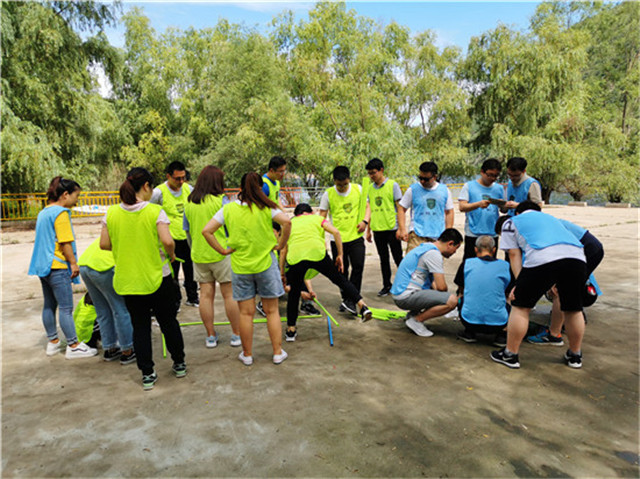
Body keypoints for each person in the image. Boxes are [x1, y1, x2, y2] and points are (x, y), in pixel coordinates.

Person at [101, 167, 186, 390]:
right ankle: (179, 363)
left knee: (140, 327)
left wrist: (126, 243)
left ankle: (147, 373)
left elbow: (104, 244)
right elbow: (168, 241)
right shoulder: (154, 211)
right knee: (168, 322)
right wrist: (172, 254)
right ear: (146, 186)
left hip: (129, 280)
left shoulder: (111, 213)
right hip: (158, 277)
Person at [202, 172, 291, 366]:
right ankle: (277, 352)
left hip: (241, 266)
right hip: (266, 265)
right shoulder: (268, 207)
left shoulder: (228, 209)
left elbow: (206, 231)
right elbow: (287, 222)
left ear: (240, 188)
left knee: (245, 313)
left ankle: (247, 354)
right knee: (272, 311)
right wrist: (280, 244)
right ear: (261, 188)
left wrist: (223, 250)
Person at [491, 201, 587, 369]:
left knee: (520, 306)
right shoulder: (551, 219)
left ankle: (510, 354)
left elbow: (514, 255)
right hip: (577, 258)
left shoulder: (510, 222)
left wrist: (519, 285)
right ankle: (575, 355)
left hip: (543, 256)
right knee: (573, 308)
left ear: (518, 212)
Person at [28, 176, 98, 359]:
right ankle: (74, 345)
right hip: (58, 266)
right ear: (65, 194)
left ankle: (53, 342)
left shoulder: (44, 212)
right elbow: (65, 242)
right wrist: (73, 263)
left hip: (43, 266)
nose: (77, 200)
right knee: (66, 308)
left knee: (49, 305)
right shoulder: (61, 213)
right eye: (76, 195)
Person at [281, 203, 373, 341]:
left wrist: (282, 272)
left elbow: (283, 250)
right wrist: (340, 255)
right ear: (310, 212)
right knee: (340, 280)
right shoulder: (317, 219)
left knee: (294, 294)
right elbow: (336, 232)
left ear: (297, 214)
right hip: (317, 254)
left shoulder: (290, 223)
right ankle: (362, 306)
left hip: (296, 258)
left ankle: (291, 330)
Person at [183, 166, 241, 349]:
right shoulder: (221, 201)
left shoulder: (190, 203)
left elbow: (187, 230)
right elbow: (231, 227)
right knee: (229, 295)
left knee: (205, 296)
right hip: (222, 253)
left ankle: (210, 336)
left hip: (199, 255)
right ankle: (236, 335)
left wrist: (195, 249)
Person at [526, 216, 604, 346]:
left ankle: (554, 334)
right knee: (566, 287)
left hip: (588, 250)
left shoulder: (537, 231)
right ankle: (573, 314)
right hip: (590, 248)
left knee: (560, 289)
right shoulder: (545, 221)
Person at [391, 228, 462, 337]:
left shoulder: (425, 247)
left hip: (400, 294)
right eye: (456, 248)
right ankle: (417, 320)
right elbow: (441, 287)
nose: (454, 252)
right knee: (451, 301)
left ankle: (413, 314)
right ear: (450, 244)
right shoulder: (433, 254)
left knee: (434, 290)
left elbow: (433, 285)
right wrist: (452, 301)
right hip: (405, 297)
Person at [318, 166, 369, 315]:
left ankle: (352, 300)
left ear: (349, 180)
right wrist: (321, 239)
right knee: (342, 271)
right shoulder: (328, 194)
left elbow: (367, 207)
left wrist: (365, 221)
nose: (342, 187)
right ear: (334, 181)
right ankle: (347, 299)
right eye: (339, 185)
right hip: (337, 240)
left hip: (356, 236)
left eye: (345, 184)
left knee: (358, 267)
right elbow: (322, 216)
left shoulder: (358, 189)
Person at [78, 238, 136, 364]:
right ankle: (127, 350)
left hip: (85, 264)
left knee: (102, 309)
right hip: (103, 267)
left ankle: (110, 348)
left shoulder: (113, 224)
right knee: (120, 309)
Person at [151, 161, 198, 308]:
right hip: (170, 240)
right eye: (177, 178)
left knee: (190, 269)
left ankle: (192, 297)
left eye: (183, 178)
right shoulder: (158, 193)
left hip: (187, 237)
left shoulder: (188, 189)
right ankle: (174, 301)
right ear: (168, 176)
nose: (181, 181)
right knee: (172, 273)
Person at [453, 236, 511, 346]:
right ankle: (501, 336)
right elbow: (507, 292)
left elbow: (461, 289)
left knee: (461, 296)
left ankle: (469, 332)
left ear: (475, 249)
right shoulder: (505, 266)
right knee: (508, 300)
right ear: (494, 250)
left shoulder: (467, 263)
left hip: (469, 321)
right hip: (499, 323)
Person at [365, 158, 403, 297]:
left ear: (381, 170)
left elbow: (400, 207)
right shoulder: (369, 188)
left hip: (392, 228)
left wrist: (401, 228)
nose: (372, 176)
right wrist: (368, 231)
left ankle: (405, 285)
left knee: (398, 258)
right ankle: (386, 285)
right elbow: (369, 209)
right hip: (377, 229)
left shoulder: (393, 185)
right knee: (383, 259)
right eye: (369, 173)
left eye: (373, 173)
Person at [397, 161, 454, 253]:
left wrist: (448, 232)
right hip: (417, 236)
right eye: (420, 178)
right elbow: (401, 208)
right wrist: (402, 229)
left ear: (434, 177)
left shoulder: (444, 191)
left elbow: (449, 212)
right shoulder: (413, 189)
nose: (422, 181)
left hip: (438, 237)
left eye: (426, 179)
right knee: (413, 264)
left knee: (434, 266)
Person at [457, 159, 505, 261]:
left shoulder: (499, 188)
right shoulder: (469, 186)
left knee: (490, 263)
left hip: (492, 232)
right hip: (473, 232)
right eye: (490, 175)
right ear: (482, 172)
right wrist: (478, 204)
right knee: (469, 262)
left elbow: (503, 210)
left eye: (496, 176)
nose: (492, 178)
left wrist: (503, 204)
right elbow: (462, 207)